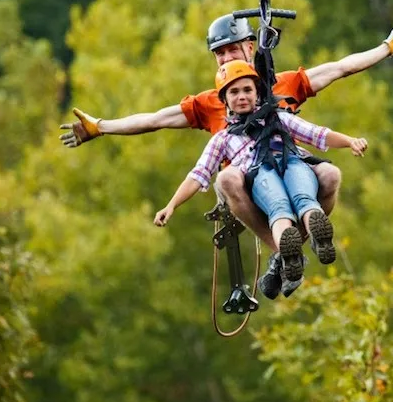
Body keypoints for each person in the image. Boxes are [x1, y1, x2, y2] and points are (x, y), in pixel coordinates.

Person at [59, 14, 393, 256]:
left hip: (289, 165)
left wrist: (387, 48)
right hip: (251, 183)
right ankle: (279, 248)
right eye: (218, 55)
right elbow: (155, 119)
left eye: (232, 50)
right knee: (228, 175)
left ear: (251, 48)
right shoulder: (213, 102)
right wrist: (102, 126)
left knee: (330, 174)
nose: (225, 58)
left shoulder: (280, 85)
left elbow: (340, 68)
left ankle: (307, 235)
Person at [153, 60, 368, 298]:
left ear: (257, 94)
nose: (242, 97)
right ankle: (287, 249)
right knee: (279, 206)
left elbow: (316, 134)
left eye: (247, 90)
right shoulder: (223, 138)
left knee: (304, 196)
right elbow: (199, 173)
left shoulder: (278, 118)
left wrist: (350, 141)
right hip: (260, 174)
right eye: (234, 92)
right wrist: (171, 204)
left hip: (293, 162)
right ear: (224, 100)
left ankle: (317, 231)